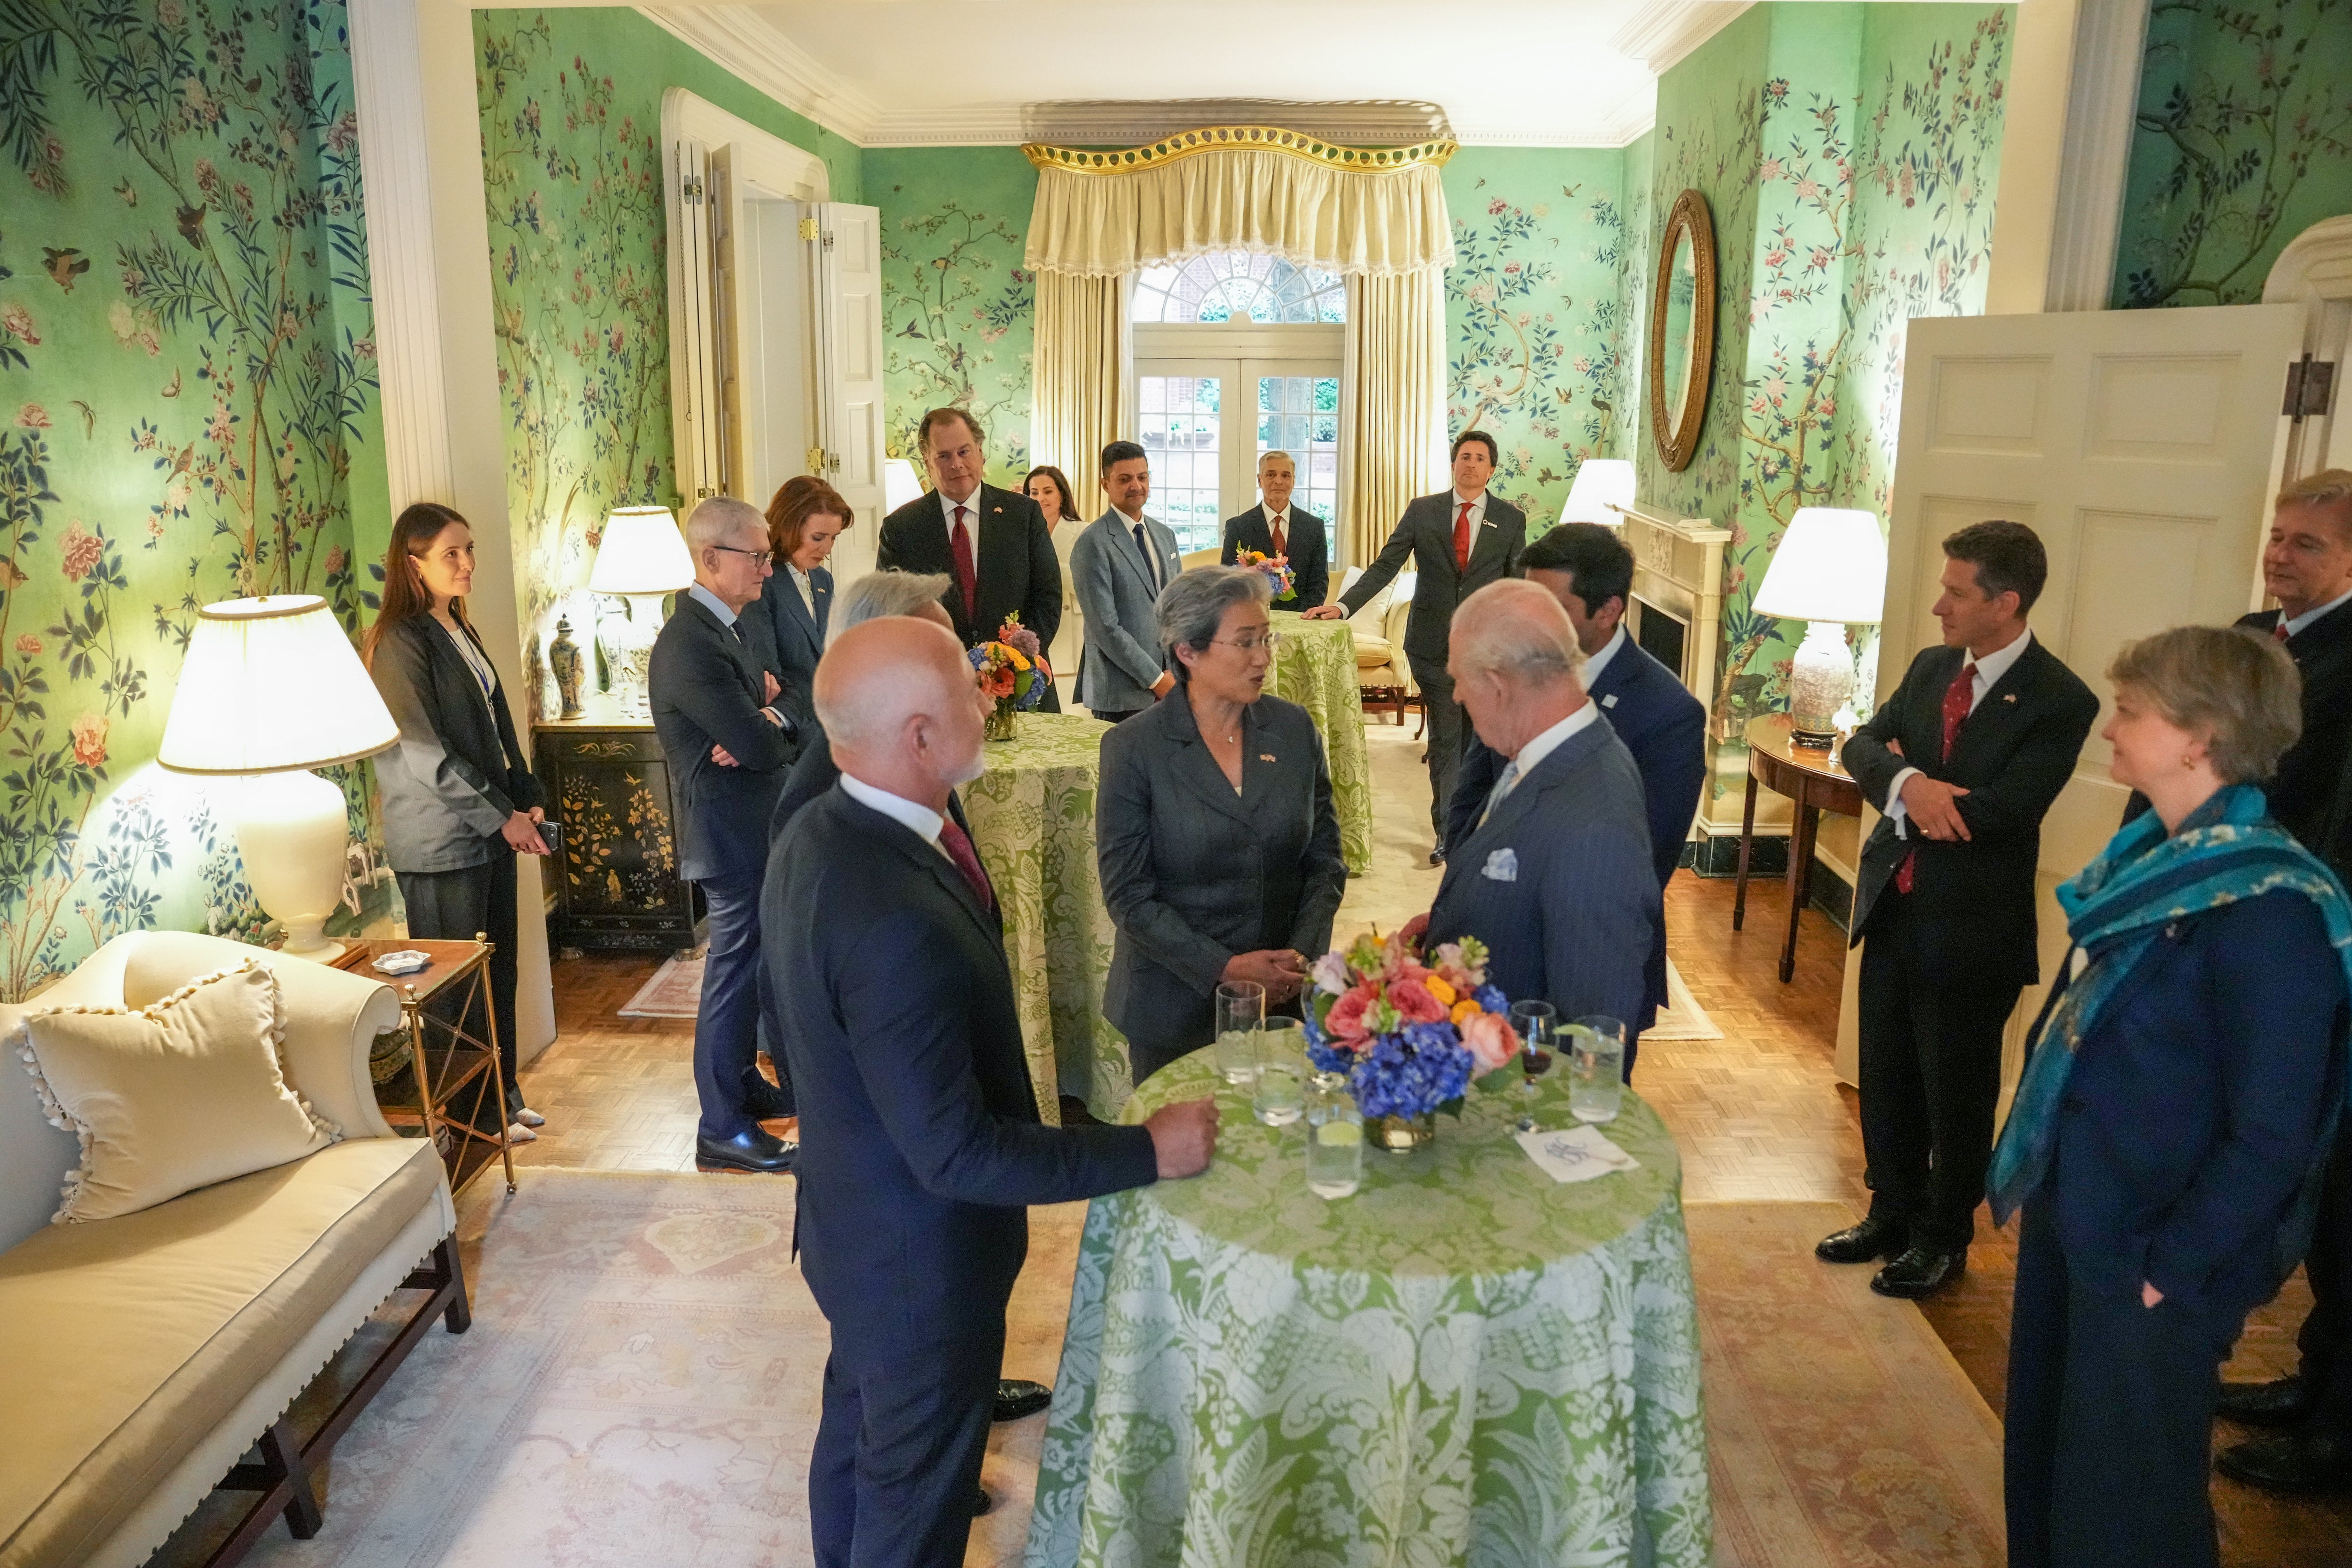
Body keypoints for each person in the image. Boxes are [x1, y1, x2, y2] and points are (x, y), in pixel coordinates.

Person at [765, 615, 1220, 1567]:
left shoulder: (819, 826)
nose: (989, 697)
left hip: (851, 1224)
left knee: (859, 1440)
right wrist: (1149, 1148)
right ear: (919, 736)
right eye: (969, 690)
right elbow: (958, 1151)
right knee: (912, 1498)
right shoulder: (894, 917)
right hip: (916, 1264)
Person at [1990, 625, 2351, 1568]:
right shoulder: (2149, 860)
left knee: (2131, 1507)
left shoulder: (2270, 908)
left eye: (2131, 712)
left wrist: (2170, 1269)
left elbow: (2273, 1136)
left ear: (2200, 738)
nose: (2109, 729)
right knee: (2050, 1469)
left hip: (2155, 1252)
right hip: (2079, 1215)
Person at [1821, 520, 2100, 1299]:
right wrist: (1911, 785)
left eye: (1956, 591)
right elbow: (1863, 744)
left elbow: (2007, 809)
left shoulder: (2059, 698)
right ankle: (1890, 1213)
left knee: (1956, 1096)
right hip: (1895, 907)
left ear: (2005, 603)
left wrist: (1913, 789)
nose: (1939, 605)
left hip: (1974, 930)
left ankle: (1944, 1239)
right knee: (1887, 1077)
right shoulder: (1931, 666)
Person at [2210, 468, 2352, 1492]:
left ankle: (2338, 1429)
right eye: (2276, 535)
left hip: (2315, 940)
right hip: (2250, 928)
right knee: (2317, 1181)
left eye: (2306, 542)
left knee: (2341, 1196)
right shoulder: (2249, 635)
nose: (2278, 555)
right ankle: (2312, 1378)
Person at [1449, 522, 1706, 1076]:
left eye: (1554, 607)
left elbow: (1635, 868)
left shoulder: (1669, 713)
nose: (1534, 622)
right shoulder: (1518, 672)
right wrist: (1473, 883)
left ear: (1608, 610)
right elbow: (1476, 795)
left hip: (1566, 984)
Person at [1096, 567, 1347, 1084]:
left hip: (1284, 1003)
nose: (1263, 657)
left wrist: (1297, 958)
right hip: (1174, 1008)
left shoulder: (1294, 729)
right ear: (1187, 651)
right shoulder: (1133, 748)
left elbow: (1325, 861)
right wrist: (1226, 968)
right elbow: (1129, 897)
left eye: (1266, 639)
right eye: (1245, 642)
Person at [363, 501, 550, 1143]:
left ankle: (503, 1097)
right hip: (442, 843)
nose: (468, 562)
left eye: (469, 549)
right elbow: (425, 754)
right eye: (452, 553)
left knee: (498, 975)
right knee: (456, 995)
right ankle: (472, 1120)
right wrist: (502, 818)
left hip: (489, 830)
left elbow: (496, 729)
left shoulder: (457, 626)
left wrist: (526, 797)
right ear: (412, 562)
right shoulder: (398, 641)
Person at [1406, 579, 1653, 1032]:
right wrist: (1454, 924)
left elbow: (1590, 1028)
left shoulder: (1595, 824)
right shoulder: (1547, 753)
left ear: (1497, 685)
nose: (1457, 696)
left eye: (1459, 679)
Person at [647, 496, 799, 1176]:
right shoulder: (689, 643)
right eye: (758, 556)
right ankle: (721, 1127)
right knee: (732, 979)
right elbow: (758, 747)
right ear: (711, 558)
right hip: (727, 835)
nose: (767, 569)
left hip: (753, 826)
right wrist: (761, 722)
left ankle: (742, 1087)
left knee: (752, 971)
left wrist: (770, 713)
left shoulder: (734, 627)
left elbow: (785, 702)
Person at [1306, 431, 1527, 864]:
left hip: (1487, 651)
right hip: (1431, 645)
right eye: (1465, 456)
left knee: (1475, 741)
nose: (1471, 464)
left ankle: (1470, 823)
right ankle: (1449, 833)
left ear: (1492, 470)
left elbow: (1516, 583)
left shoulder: (1510, 519)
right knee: (1447, 735)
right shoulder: (1423, 511)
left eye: (1480, 458)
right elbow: (1386, 565)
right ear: (1454, 463)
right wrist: (1343, 606)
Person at [879, 408, 1062, 710]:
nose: (957, 464)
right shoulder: (901, 528)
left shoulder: (1023, 515)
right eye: (943, 456)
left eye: (964, 452)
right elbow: (893, 615)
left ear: (980, 451)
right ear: (927, 461)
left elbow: (1048, 598)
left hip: (1021, 688)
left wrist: (1016, 664)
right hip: (939, 695)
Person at [1070, 440, 1183, 724]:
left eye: (1142, 477)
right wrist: (1156, 679)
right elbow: (1105, 627)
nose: (1136, 486)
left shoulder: (1165, 535)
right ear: (1105, 484)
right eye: (1125, 479)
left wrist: (1179, 671)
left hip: (1173, 686)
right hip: (1121, 695)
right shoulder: (1092, 543)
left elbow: (1179, 609)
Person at [743, 474, 850, 761]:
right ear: (789, 526)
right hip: (791, 739)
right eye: (818, 538)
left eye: (834, 538)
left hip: (828, 731)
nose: (827, 549)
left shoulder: (823, 579)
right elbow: (769, 678)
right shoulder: (762, 584)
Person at [1220, 449, 1329, 610]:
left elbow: (1319, 584)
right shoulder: (1238, 527)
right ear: (1260, 480)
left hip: (1301, 618)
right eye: (1271, 475)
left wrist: (1300, 618)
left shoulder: (1314, 527)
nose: (1278, 481)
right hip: (1253, 616)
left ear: (1294, 481)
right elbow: (1229, 582)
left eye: (1286, 476)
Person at [1027, 464, 1084, 691]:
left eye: (1048, 491)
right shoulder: (1021, 534)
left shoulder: (1083, 531)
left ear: (1062, 495)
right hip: (1036, 627)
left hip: (1072, 632)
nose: (1041, 498)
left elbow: (1086, 584)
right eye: (1034, 493)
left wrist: (1048, 566)